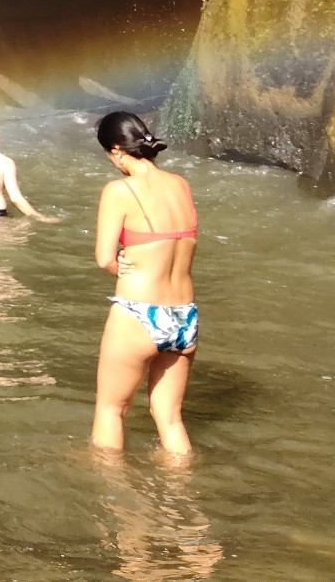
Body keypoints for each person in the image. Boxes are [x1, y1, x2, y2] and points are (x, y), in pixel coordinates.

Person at [92, 110, 200, 458]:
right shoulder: (180, 185)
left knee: (111, 411)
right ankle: (182, 498)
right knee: (169, 419)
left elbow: (105, 258)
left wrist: (117, 263)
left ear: (116, 150)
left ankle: (110, 501)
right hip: (184, 318)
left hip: (139, 314)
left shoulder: (119, 190)